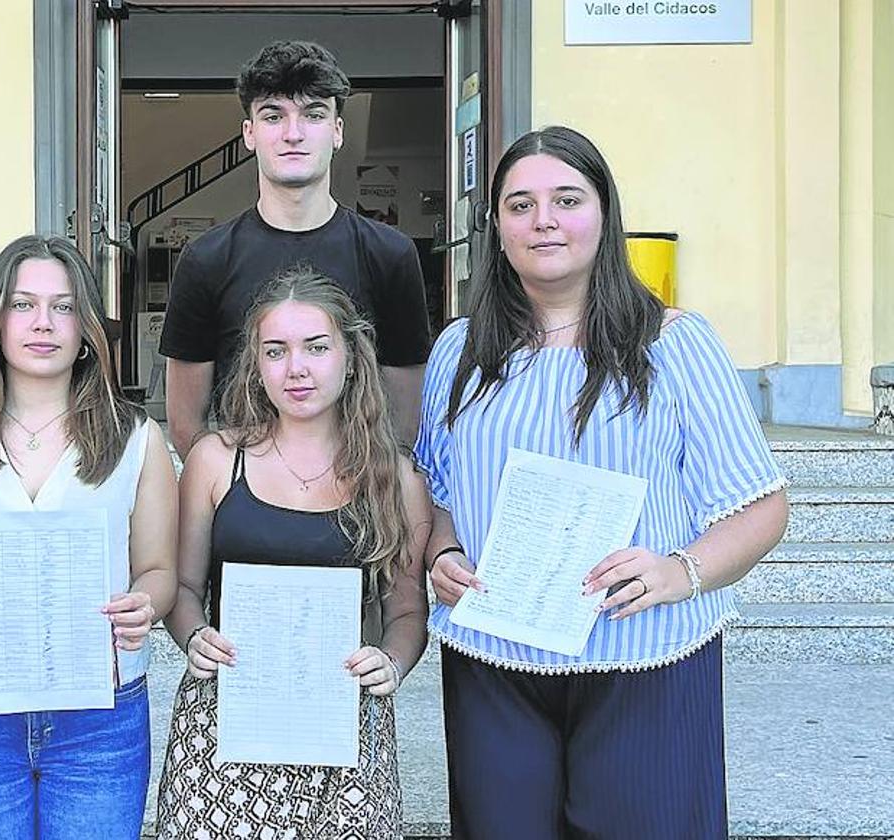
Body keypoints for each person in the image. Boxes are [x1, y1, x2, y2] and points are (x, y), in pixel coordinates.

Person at [415, 126, 790, 839]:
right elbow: (439, 493)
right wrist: (441, 554)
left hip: (642, 653)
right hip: (498, 657)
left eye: (566, 199)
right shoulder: (458, 351)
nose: (543, 220)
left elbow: (761, 505)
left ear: (603, 215)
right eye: (519, 205)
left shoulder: (674, 344)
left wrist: (681, 570)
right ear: (495, 228)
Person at [0, 235, 178, 840]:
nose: (44, 324)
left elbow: (158, 571)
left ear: (87, 326)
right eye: (23, 305)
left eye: (64, 307)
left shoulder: (137, 440)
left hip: (100, 713)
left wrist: (145, 604)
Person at [155, 267, 431, 840]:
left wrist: (392, 663)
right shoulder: (215, 460)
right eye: (275, 350)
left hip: (345, 724)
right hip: (223, 724)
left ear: (351, 356)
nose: (296, 368)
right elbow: (181, 590)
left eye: (317, 347)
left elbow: (408, 613)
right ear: (255, 363)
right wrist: (192, 635)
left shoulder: (394, 477)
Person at [160, 39, 431, 457]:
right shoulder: (205, 260)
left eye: (314, 114)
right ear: (249, 134)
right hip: (246, 502)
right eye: (273, 116)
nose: (293, 133)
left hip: (360, 496)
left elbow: (404, 421)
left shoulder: (390, 255)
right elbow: (185, 424)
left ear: (337, 131)